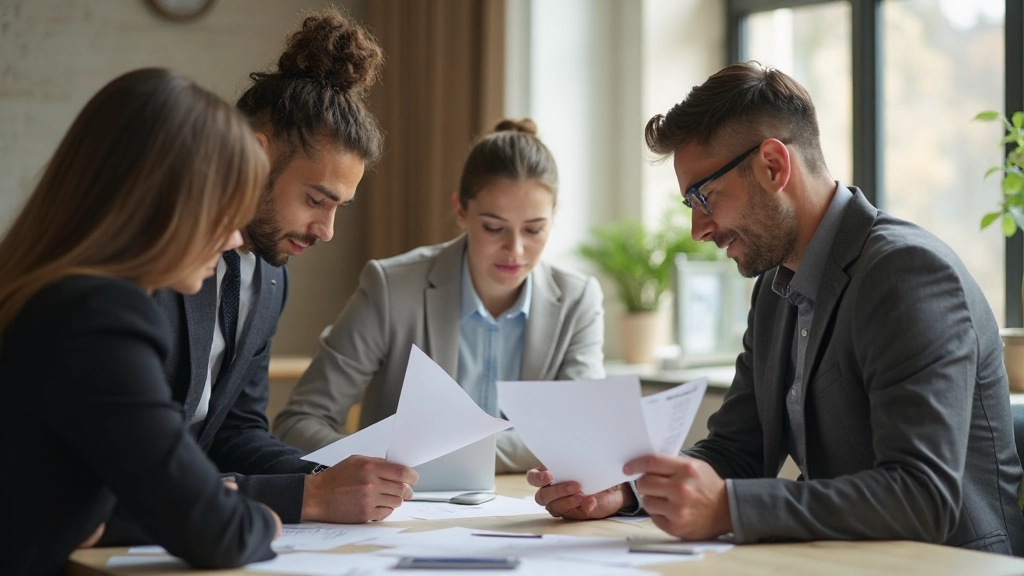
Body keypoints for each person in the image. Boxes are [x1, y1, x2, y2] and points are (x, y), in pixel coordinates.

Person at [529, 62, 1024, 555]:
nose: (699, 229)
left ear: (773, 165)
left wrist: (728, 508)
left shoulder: (908, 274)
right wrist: (628, 489)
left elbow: (923, 497)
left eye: (705, 196)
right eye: (690, 205)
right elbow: (737, 451)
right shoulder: (775, 288)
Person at [98, 9, 418, 545]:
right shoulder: (146, 268)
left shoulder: (270, 277)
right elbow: (129, 473)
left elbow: (236, 431)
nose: (327, 230)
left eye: (339, 208)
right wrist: (306, 498)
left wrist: (327, 477)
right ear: (255, 155)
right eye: (316, 200)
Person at [0, 68, 282, 576]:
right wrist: (257, 518)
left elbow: (106, 499)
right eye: (226, 213)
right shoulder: (99, 316)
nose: (236, 242)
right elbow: (216, 532)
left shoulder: (42, 290)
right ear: (169, 203)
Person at [273, 119, 605, 473]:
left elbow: (584, 432)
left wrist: (428, 455)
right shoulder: (392, 288)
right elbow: (298, 423)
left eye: (535, 229)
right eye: (494, 228)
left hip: (530, 513)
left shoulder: (577, 300)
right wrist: (373, 468)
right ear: (461, 210)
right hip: (403, 511)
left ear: (554, 216)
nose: (516, 249)